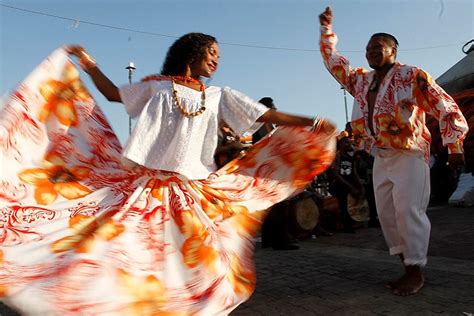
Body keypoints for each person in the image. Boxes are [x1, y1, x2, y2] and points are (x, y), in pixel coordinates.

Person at [0, 33, 336, 315]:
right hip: (144, 186)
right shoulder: (155, 86)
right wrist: (88, 65)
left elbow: (265, 114)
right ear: (191, 53)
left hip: (190, 189)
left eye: (219, 55)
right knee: (122, 250)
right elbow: (112, 94)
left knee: (198, 258)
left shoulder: (220, 96)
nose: (216, 60)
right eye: (212, 52)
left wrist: (310, 121)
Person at [319, 7, 468, 296]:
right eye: (367, 49)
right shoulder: (361, 80)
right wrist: (327, 31)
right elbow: (333, 62)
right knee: (387, 215)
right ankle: (407, 266)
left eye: (377, 47)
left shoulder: (412, 75)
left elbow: (445, 106)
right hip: (380, 156)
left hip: (410, 154)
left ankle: (415, 271)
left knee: (408, 211)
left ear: (393, 51)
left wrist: (454, 144)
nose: (370, 52)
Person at [327, 132, 364, 233]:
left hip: (349, 183)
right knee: (344, 202)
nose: (349, 145)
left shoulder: (351, 157)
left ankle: (355, 221)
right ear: (341, 144)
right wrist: (350, 187)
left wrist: (359, 185)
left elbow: (354, 172)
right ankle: (346, 225)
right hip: (340, 184)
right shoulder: (337, 156)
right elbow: (336, 174)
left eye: (350, 143)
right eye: (346, 143)